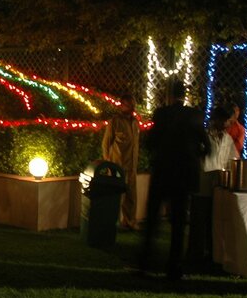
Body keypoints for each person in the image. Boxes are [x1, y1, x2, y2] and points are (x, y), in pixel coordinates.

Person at [141, 79, 210, 280]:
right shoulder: (195, 116)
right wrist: (194, 156)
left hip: (163, 172)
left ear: (169, 95)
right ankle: (174, 267)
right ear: (184, 95)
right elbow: (207, 146)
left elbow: (150, 142)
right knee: (179, 223)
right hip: (184, 175)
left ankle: (145, 263)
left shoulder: (161, 114)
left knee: (152, 219)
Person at [188, 104, 239, 269]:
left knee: (213, 222)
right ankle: (195, 255)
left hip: (217, 186)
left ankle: (212, 254)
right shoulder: (204, 136)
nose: (226, 124)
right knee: (199, 221)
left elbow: (233, 159)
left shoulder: (228, 139)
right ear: (216, 119)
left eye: (228, 121)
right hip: (202, 183)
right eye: (224, 120)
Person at [102, 91, 140, 230]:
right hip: (118, 165)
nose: (132, 107)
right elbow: (106, 144)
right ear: (122, 105)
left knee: (131, 196)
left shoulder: (135, 122)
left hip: (132, 166)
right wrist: (108, 163)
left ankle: (129, 222)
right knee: (115, 196)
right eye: (128, 105)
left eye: (133, 105)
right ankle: (110, 222)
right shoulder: (115, 122)